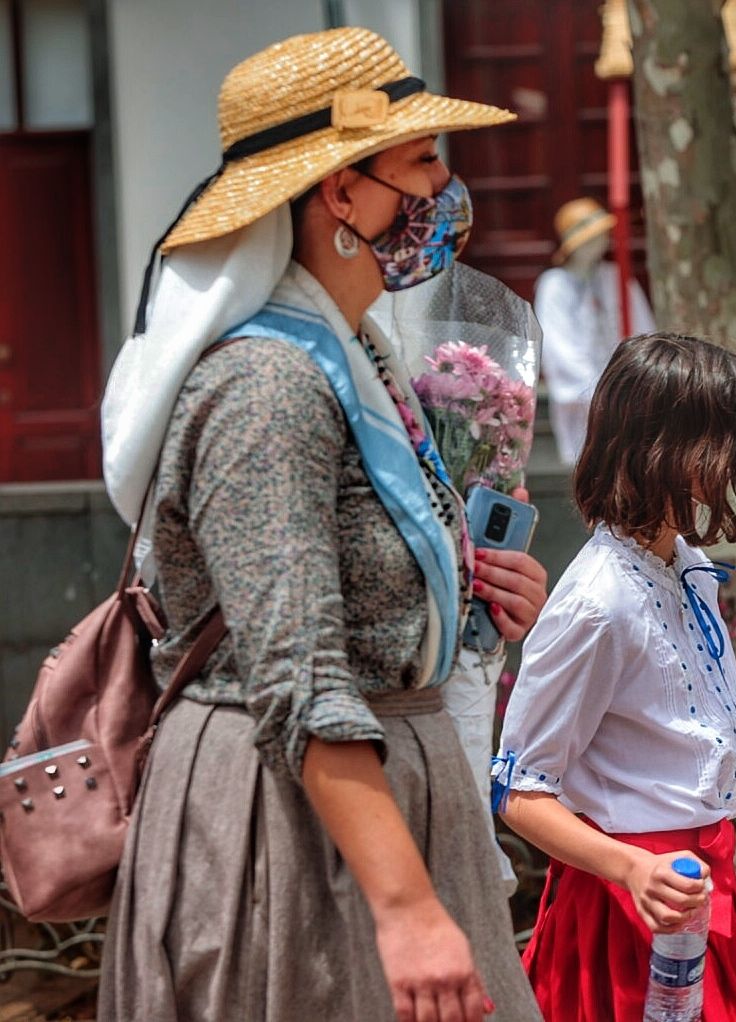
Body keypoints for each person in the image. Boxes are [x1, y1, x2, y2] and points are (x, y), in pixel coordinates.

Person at [96, 28, 546, 1022]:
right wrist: (405, 906)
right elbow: (297, 668)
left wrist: (472, 589)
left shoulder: (361, 362)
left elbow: (352, 588)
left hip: (385, 807)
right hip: (296, 832)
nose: (445, 187)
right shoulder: (267, 389)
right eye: (421, 160)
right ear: (340, 192)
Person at [495, 332, 736, 1022]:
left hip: (694, 899)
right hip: (624, 916)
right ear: (661, 447)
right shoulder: (596, 602)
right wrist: (632, 869)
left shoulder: (685, 566)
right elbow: (520, 792)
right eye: (723, 440)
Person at [535, 196, 655, 463]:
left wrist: (638, 379)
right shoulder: (555, 285)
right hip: (585, 397)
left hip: (628, 389)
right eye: (588, 238)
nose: (596, 243)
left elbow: (643, 329)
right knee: (592, 461)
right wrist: (596, 391)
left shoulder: (617, 277)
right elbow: (557, 346)